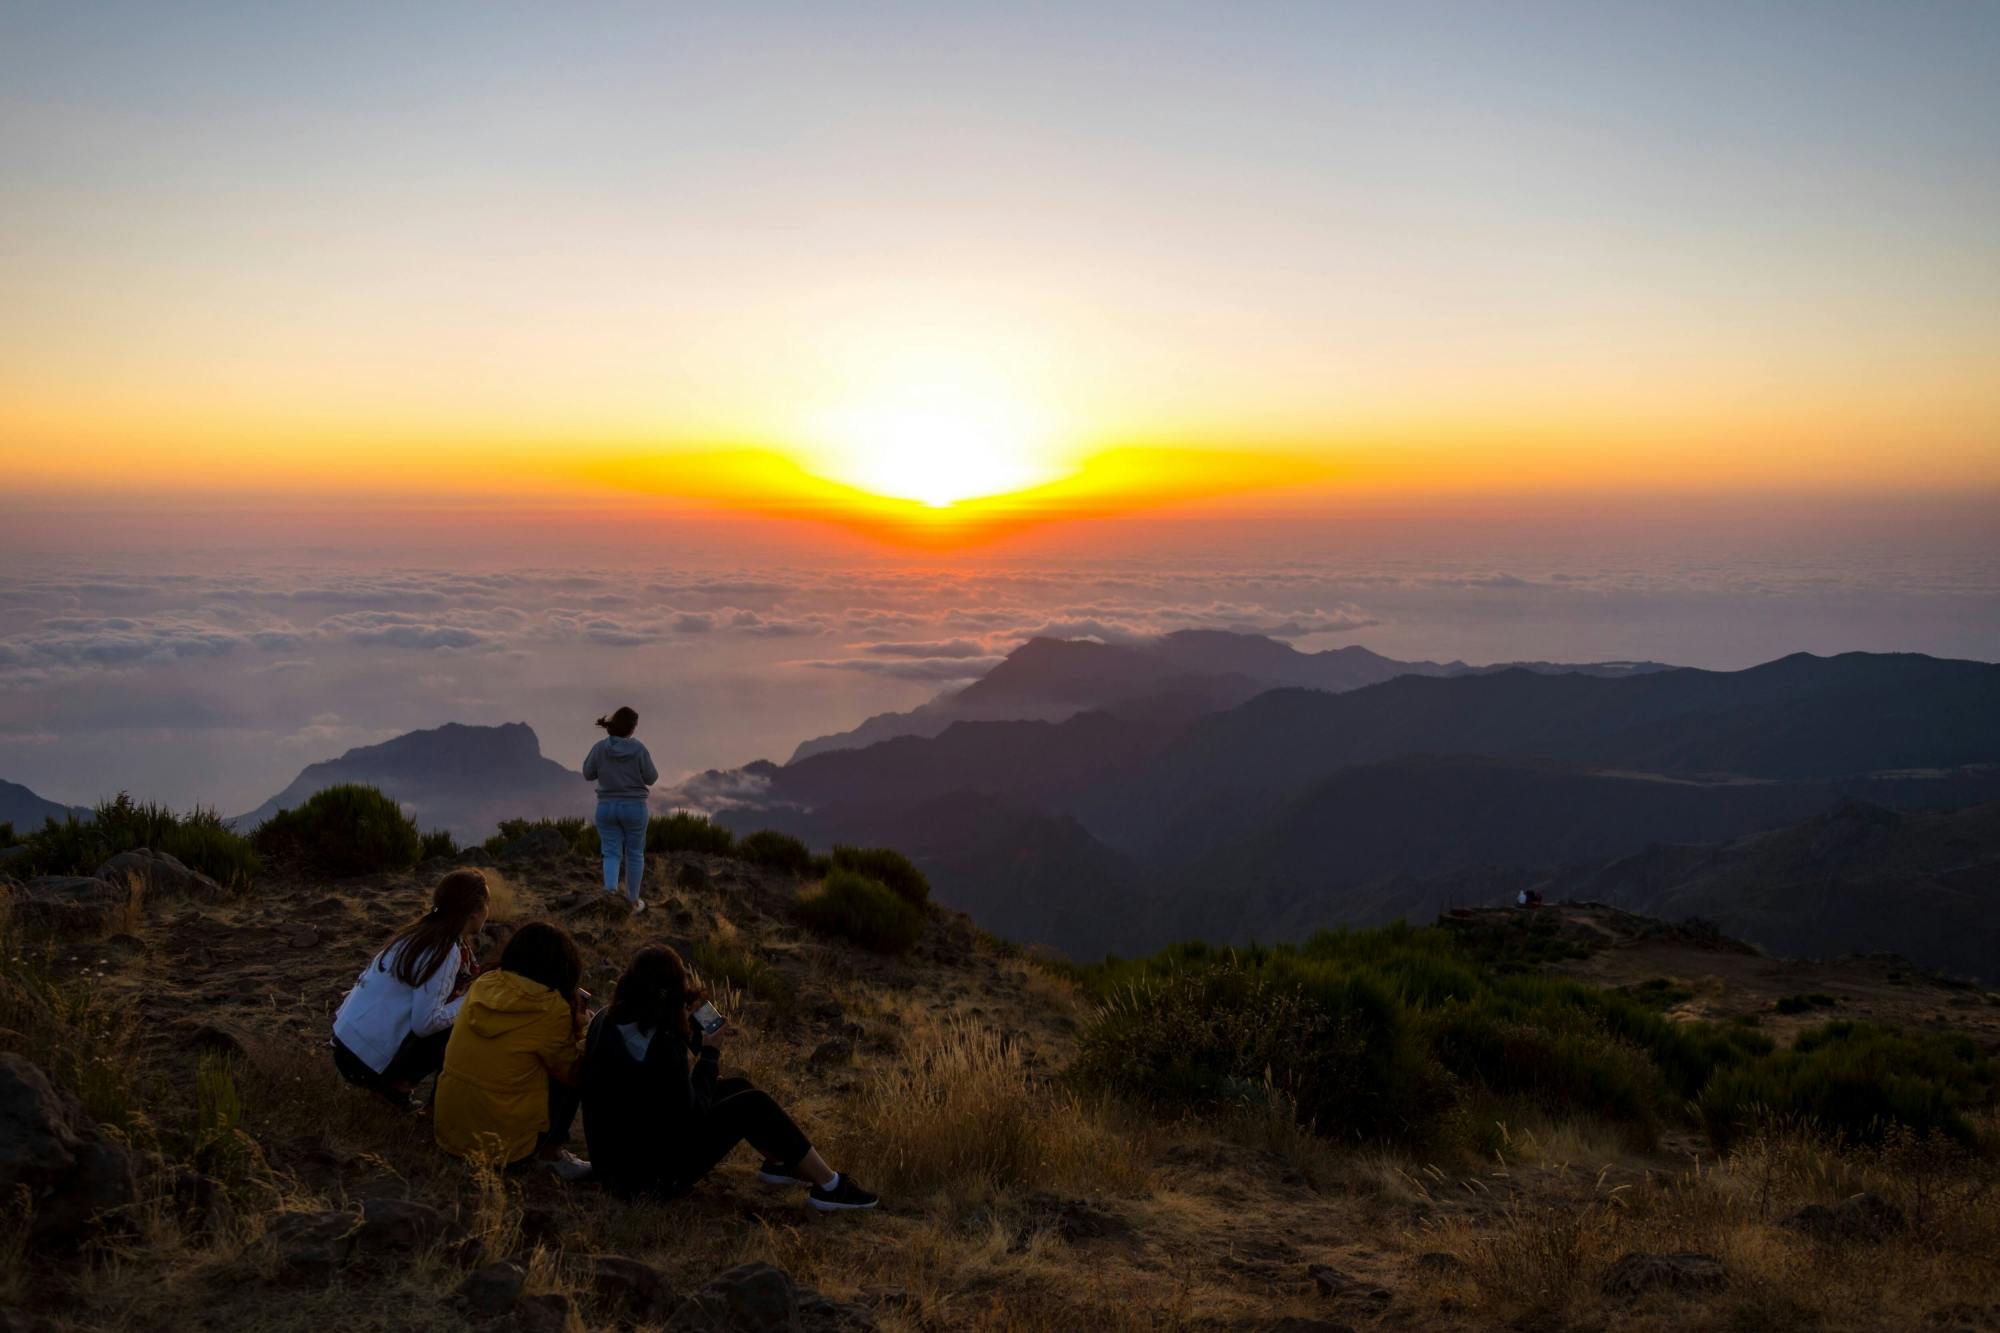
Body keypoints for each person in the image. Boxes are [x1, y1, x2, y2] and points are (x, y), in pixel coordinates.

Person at [580, 946, 878, 1211]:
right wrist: (709, 1054)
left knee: (737, 1088)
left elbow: (653, 1090)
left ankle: (779, 1163)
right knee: (753, 1104)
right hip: (647, 1181)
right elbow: (691, 1116)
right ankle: (830, 1186)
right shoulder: (663, 1045)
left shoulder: (605, 1019)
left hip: (613, 1163)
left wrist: (688, 1033)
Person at [433, 920, 593, 1180]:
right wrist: (585, 1032)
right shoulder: (551, 1008)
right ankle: (550, 1154)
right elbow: (572, 1072)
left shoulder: (485, 983)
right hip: (504, 1147)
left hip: (450, 1132)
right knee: (574, 1068)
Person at [330, 869, 489, 1108]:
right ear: (474, 912)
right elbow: (424, 1024)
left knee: (450, 1013)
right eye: (487, 904)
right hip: (363, 1062)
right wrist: (469, 999)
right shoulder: (444, 950)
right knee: (461, 1023)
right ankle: (401, 1091)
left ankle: (397, 1086)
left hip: (345, 1046)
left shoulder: (418, 933)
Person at [583, 705, 658, 913]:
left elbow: (588, 773)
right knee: (634, 853)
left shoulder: (599, 748)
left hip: (606, 807)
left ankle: (610, 897)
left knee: (611, 853)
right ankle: (633, 903)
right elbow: (651, 778)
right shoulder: (639, 749)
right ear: (632, 728)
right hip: (634, 808)